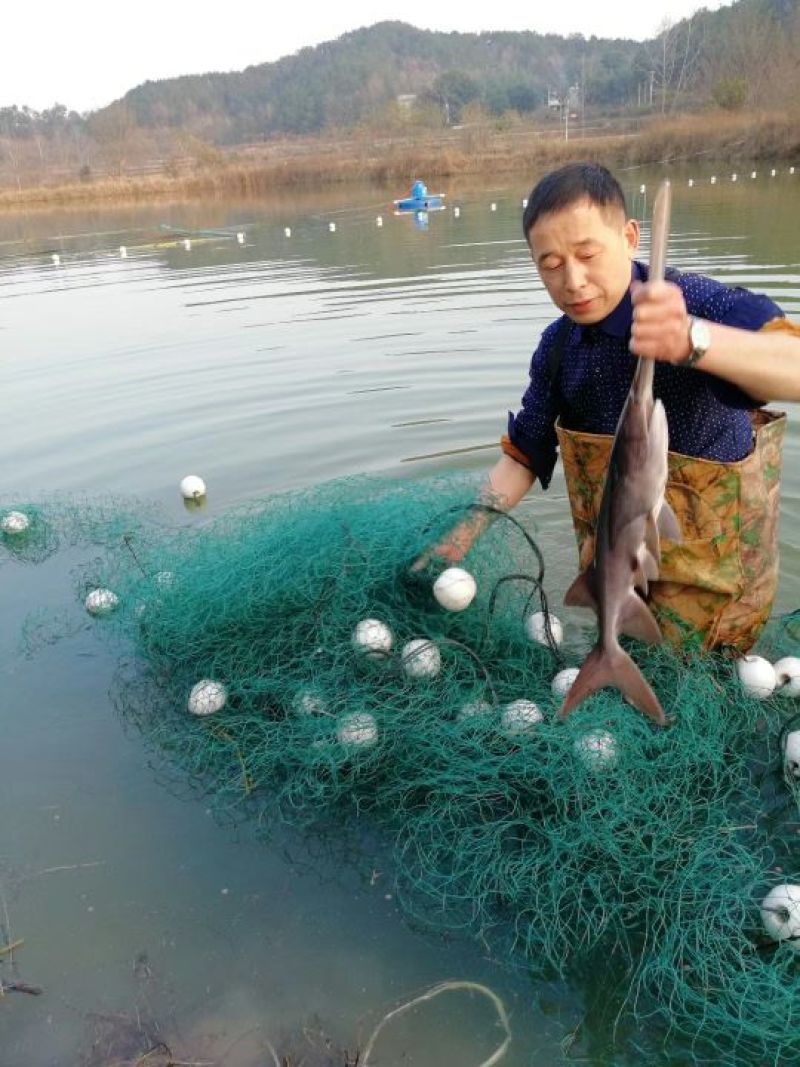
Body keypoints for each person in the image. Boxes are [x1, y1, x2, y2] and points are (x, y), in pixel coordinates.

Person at [416, 162, 800, 652]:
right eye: (550, 265)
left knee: (704, 689)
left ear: (631, 237)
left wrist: (692, 341)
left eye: (587, 254)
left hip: (720, 587)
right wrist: (457, 538)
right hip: (615, 573)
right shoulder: (558, 350)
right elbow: (524, 454)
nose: (573, 281)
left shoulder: (693, 302)